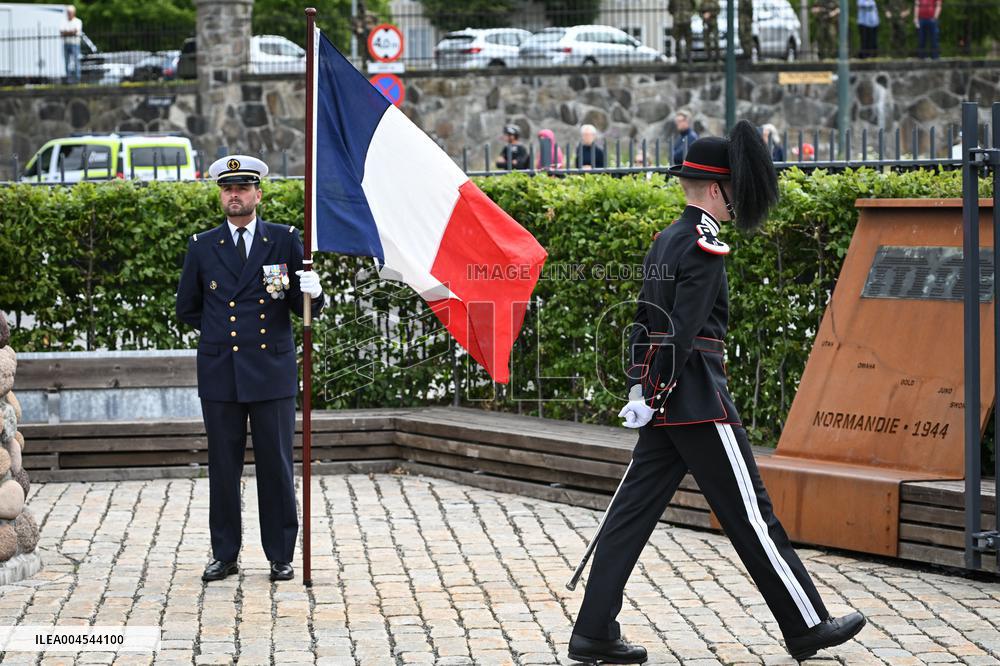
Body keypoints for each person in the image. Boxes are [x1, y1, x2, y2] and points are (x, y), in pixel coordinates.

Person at [566, 121, 866, 665]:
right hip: (698, 399)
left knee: (629, 516)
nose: (736, 201)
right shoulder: (703, 242)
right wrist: (657, 391)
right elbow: (682, 329)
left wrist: (642, 387)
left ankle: (593, 631)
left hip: (663, 402)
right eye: (732, 189)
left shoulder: (666, 239)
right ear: (712, 188)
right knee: (753, 516)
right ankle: (807, 625)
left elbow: (643, 324)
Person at [176, 155, 326, 584]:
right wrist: (222, 332)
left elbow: (305, 307)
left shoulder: (283, 240)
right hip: (222, 371)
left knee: (276, 466)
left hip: (271, 371)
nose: (234, 195)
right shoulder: (203, 245)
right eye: (227, 189)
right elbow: (187, 307)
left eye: (242, 188)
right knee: (223, 468)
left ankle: (280, 554)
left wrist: (315, 292)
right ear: (221, 195)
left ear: (258, 194)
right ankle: (225, 554)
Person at [60, 5, 82, 84]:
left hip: (75, 44)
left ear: (74, 13)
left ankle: (77, 80)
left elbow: (75, 32)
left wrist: (67, 32)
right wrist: (71, 32)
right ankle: (67, 80)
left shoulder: (78, 21)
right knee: (67, 62)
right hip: (66, 43)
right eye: (68, 12)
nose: (68, 14)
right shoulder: (63, 21)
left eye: (70, 12)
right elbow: (62, 32)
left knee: (76, 62)